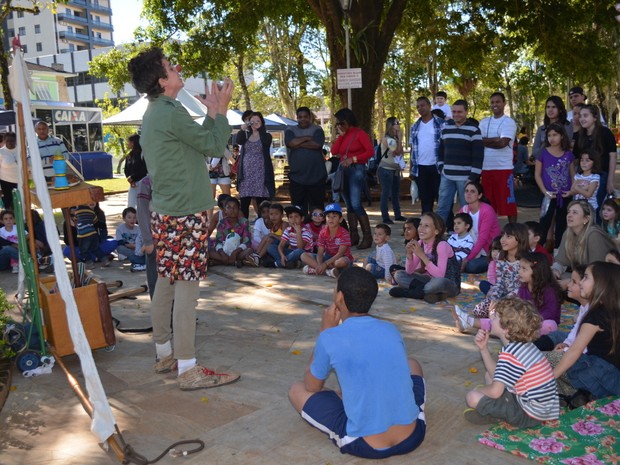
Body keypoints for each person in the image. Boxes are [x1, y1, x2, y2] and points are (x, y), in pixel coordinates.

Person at [128, 46, 239, 390]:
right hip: (183, 214)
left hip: (168, 211)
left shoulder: (160, 111)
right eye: (169, 66)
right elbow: (211, 145)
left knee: (167, 282)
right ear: (162, 80)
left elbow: (197, 142)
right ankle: (188, 367)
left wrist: (213, 114)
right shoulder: (169, 111)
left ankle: (164, 353)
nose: (176, 68)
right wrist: (220, 110)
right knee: (187, 289)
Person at [288, 267, 427, 459]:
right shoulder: (390, 329)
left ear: (339, 298)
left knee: (297, 389)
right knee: (412, 363)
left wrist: (324, 330)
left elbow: (312, 386)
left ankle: (347, 407)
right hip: (413, 435)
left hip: (365, 443)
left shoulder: (330, 337)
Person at [463, 296, 559, 427]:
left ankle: (493, 415)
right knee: (488, 376)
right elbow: (497, 374)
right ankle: (494, 411)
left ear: (506, 329)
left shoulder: (510, 354)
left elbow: (495, 392)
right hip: (542, 409)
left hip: (528, 414)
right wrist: (483, 349)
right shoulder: (524, 345)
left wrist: (482, 391)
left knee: (472, 397)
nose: (491, 319)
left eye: (495, 317)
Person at [553, 261, 620, 399]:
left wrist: (549, 378)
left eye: (586, 278)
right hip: (614, 378)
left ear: (602, 283)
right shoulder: (613, 310)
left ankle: (577, 392)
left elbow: (575, 350)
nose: (581, 282)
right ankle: (581, 396)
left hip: (597, 373)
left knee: (542, 361)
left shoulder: (596, 315)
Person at [454, 251, 562, 336]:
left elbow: (550, 314)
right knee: (503, 320)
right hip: (523, 322)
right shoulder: (523, 287)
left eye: (524, 269)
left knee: (549, 326)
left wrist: (528, 319)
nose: (519, 271)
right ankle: (468, 321)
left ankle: (513, 334)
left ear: (538, 271)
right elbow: (515, 303)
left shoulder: (549, 291)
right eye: (520, 267)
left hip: (538, 323)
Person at [459, 222, 529, 319]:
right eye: (503, 235)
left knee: (510, 314)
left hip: (521, 299)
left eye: (508, 236)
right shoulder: (501, 258)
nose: (502, 240)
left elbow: (523, 288)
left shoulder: (526, 260)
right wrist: (493, 299)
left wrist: (503, 301)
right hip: (503, 296)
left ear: (520, 239)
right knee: (479, 310)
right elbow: (500, 283)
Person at [389, 212, 461, 303]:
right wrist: (409, 255)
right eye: (420, 225)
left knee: (436, 283)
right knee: (399, 275)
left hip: (448, 284)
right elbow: (409, 271)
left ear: (436, 231)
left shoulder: (442, 245)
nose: (421, 228)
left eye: (426, 226)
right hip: (428, 280)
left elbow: (440, 275)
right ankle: (429, 294)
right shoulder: (420, 243)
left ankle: (411, 293)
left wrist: (422, 255)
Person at [330, 108, 375, 249]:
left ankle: (368, 237)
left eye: (341, 122)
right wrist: (341, 136)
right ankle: (353, 235)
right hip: (343, 171)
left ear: (348, 120)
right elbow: (334, 151)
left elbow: (370, 151)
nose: (339, 125)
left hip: (356, 170)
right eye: (337, 123)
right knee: (349, 205)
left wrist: (353, 159)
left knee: (356, 204)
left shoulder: (360, 133)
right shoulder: (343, 135)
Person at [436, 99, 484, 225]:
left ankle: (469, 238)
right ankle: (437, 237)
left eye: (460, 112)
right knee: (442, 208)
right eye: (454, 111)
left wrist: (472, 178)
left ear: (466, 112)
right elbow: (440, 151)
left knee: (467, 209)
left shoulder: (474, 130)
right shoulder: (446, 129)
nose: (456, 114)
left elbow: (479, 156)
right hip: (447, 176)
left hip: (466, 178)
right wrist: (441, 167)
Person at [551, 200, 616, 288]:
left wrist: (570, 281)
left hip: (606, 281)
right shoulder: (568, 233)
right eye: (569, 212)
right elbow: (561, 262)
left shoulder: (594, 235)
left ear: (586, 219)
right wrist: (555, 270)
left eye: (575, 212)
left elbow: (597, 271)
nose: (569, 215)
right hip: (584, 278)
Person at [534, 122, 575, 249]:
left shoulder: (568, 154)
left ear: (562, 136)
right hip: (548, 195)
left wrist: (572, 191)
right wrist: (545, 192)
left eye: (555, 135)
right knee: (544, 223)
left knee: (562, 224)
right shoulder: (543, 153)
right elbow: (537, 175)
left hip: (565, 195)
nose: (552, 138)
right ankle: (538, 252)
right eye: (549, 135)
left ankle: (559, 254)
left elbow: (573, 175)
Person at [479, 92, 518, 222]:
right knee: (488, 205)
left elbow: (503, 143)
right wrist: (494, 140)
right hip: (486, 168)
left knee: (508, 204)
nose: (495, 105)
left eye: (498, 102)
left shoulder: (509, 122)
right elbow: (478, 142)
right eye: (492, 102)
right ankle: (490, 233)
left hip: (504, 169)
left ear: (504, 103)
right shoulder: (484, 122)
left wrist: (486, 141)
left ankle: (514, 232)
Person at [285, 107, 326, 217]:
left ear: (310, 117)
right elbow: (290, 143)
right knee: (298, 211)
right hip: (297, 178)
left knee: (317, 210)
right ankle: (299, 233)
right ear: (297, 118)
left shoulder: (317, 129)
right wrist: (307, 138)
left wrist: (298, 143)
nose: (303, 119)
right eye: (300, 117)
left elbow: (317, 144)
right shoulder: (290, 129)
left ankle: (318, 233)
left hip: (317, 177)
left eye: (305, 117)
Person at [574, 104, 616, 207]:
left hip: (601, 175)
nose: (582, 119)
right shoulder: (580, 135)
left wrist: (610, 180)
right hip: (584, 176)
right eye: (580, 116)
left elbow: (613, 156)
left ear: (595, 117)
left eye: (585, 115)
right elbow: (575, 157)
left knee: (596, 206)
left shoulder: (605, 133)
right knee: (582, 206)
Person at [235, 112, 275, 220]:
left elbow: (266, 141)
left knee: (261, 202)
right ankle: (244, 228)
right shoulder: (246, 135)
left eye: (258, 121)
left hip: (260, 174)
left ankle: (262, 226)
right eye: (253, 121)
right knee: (244, 202)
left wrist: (260, 129)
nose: (256, 123)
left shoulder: (266, 135)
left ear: (262, 123)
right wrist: (243, 129)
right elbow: (238, 140)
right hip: (246, 174)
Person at [409, 97, 444, 214]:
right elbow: (413, 148)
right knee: (425, 201)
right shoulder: (415, 127)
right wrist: (411, 167)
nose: (420, 108)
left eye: (423, 105)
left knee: (442, 199)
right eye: (418, 106)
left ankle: (447, 226)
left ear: (430, 106)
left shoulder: (441, 123)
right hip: (421, 168)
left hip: (437, 167)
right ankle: (426, 228)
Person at [458, 181, 501, 273]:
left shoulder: (487, 211)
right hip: (469, 247)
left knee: (471, 266)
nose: (468, 193)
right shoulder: (463, 210)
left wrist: (466, 259)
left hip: (488, 251)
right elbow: (457, 233)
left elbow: (482, 239)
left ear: (479, 195)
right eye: (466, 191)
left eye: (472, 191)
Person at [300, 203, 353, 278]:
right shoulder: (323, 232)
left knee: (340, 262)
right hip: (328, 258)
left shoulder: (344, 233)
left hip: (342, 258)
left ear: (340, 219)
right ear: (325, 219)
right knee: (304, 255)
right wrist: (320, 264)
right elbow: (320, 252)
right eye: (328, 216)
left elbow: (340, 253)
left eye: (334, 216)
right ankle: (325, 271)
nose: (331, 219)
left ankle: (317, 269)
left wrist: (325, 264)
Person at [209, 196, 258, 268]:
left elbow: (247, 241)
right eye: (229, 207)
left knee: (249, 250)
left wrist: (235, 252)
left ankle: (220, 262)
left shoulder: (244, 222)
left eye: (235, 207)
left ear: (239, 209)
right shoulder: (222, 223)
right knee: (209, 251)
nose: (232, 210)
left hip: (239, 251)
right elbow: (218, 241)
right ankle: (233, 262)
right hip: (225, 250)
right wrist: (222, 253)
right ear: (225, 210)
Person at [378, 117, 406, 224]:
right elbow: (398, 151)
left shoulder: (394, 139)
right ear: (391, 125)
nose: (398, 125)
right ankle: (385, 216)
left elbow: (400, 152)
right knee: (386, 193)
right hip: (386, 169)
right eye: (396, 123)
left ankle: (397, 215)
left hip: (394, 169)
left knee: (395, 193)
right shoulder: (387, 139)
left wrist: (399, 139)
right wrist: (400, 137)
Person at [268, 205, 313, 269]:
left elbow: (300, 247)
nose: (293, 219)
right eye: (290, 217)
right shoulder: (288, 229)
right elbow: (281, 245)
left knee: (299, 251)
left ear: (302, 218)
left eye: (296, 217)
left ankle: (278, 263)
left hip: (303, 255)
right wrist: (282, 255)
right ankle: (283, 261)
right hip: (291, 253)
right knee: (271, 247)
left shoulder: (306, 231)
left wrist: (298, 232)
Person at [531, 96, 573, 160]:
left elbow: (567, 147)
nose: (550, 110)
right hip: (544, 164)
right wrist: (546, 143)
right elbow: (535, 152)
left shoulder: (567, 126)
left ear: (560, 109)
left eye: (554, 107)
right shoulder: (541, 129)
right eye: (548, 107)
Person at [136, 174, 157, 299]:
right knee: (156, 282)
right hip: (154, 240)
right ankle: (161, 316)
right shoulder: (146, 182)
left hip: (175, 239)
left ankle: (177, 315)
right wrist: (148, 241)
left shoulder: (175, 177)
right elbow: (142, 212)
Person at [74, 203, 111, 269]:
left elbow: (75, 221)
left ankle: (89, 263)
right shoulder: (92, 212)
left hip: (83, 235)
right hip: (93, 233)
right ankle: (105, 260)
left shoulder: (77, 212)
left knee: (83, 251)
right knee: (95, 248)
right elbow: (95, 221)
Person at [124, 134, 147, 208]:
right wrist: (130, 178)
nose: (127, 144)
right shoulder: (130, 155)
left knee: (142, 204)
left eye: (129, 142)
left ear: (133, 142)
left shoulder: (143, 154)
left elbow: (144, 169)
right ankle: (132, 218)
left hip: (142, 182)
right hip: (133, 183)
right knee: (131, 204)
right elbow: (126, 168)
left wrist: (133, 177)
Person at [0, 132, 18, 210]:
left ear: (16, 141)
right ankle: (9, 222)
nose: (10, 143)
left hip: (20, 182)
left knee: (20, 205)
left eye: (12, 141)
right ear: (4, 141)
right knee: (8, 207)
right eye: (7, 141)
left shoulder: (22, 150)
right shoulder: (1, 152)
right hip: (5, 183)